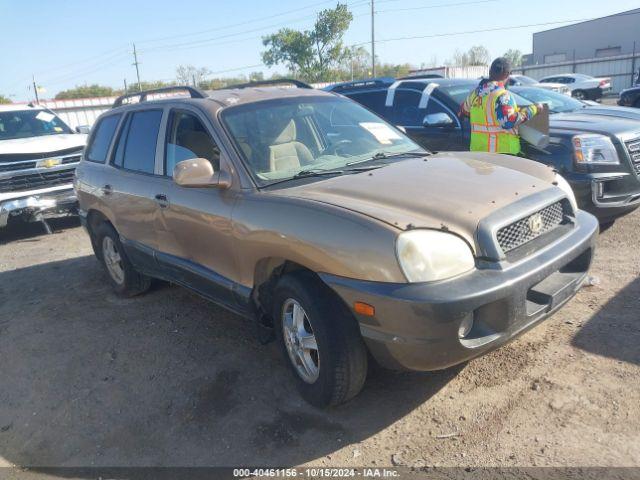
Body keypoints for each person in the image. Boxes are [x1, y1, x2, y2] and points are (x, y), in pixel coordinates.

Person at [460, 57, 544, 155]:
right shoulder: (502, 95)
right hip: (501, 155)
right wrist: (534, 109)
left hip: (478, 152)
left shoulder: (474, 94)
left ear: (490, 72)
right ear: (507, 74)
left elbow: (464, 111)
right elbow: (509, 121)